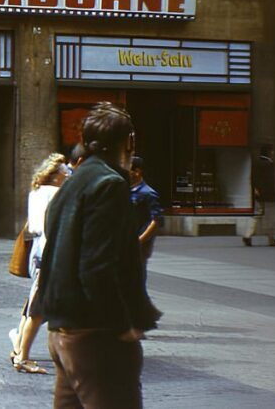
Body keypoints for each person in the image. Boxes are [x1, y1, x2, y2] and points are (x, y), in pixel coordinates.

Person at [39, 102, 161, 408]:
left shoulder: (71, 184)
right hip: (96, 333)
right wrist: (123, 325)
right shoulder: (109, 184)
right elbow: (96, 266)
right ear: (129, 142)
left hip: (62, 330)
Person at [10, 152, 68, 375]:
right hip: (48, 250)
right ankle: (22, 356)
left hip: (37, 248)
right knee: (36, 309)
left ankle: (19, 351)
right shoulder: (55, 193)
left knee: (34, 305)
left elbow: (34, 225)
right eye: (64, 172)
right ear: (56, 175)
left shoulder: (36, 192)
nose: (67, 175)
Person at [129, 156, 163, 262]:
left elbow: (156, 221)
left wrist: (140, 240)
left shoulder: (148, 193)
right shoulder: (126, 190)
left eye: (128, 170)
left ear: (137, 172)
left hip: (140, 246)